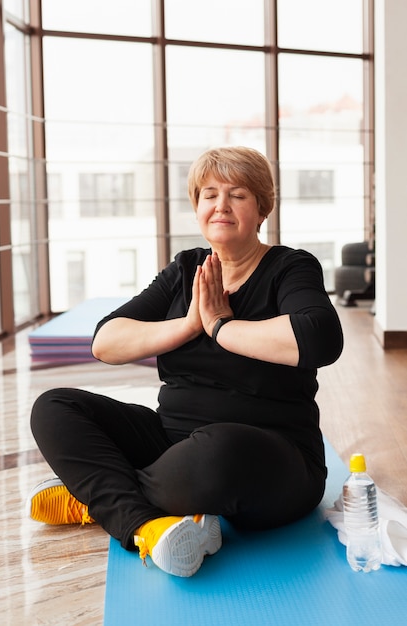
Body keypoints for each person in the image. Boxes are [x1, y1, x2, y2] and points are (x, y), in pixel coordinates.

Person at [28, 146, 343, 578]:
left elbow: (320, 338)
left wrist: (220, 327)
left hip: (268, 455)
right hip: (173, 440)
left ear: (261, 208)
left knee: (216, 453)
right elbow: (106, 340)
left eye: (238, 194)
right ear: (196, 206)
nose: (221, 205)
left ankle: (95, 496)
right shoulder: (186, 270)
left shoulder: (290, 268)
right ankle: (147, 525)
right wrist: (190, 322)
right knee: (55, 407)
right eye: (209, 194)